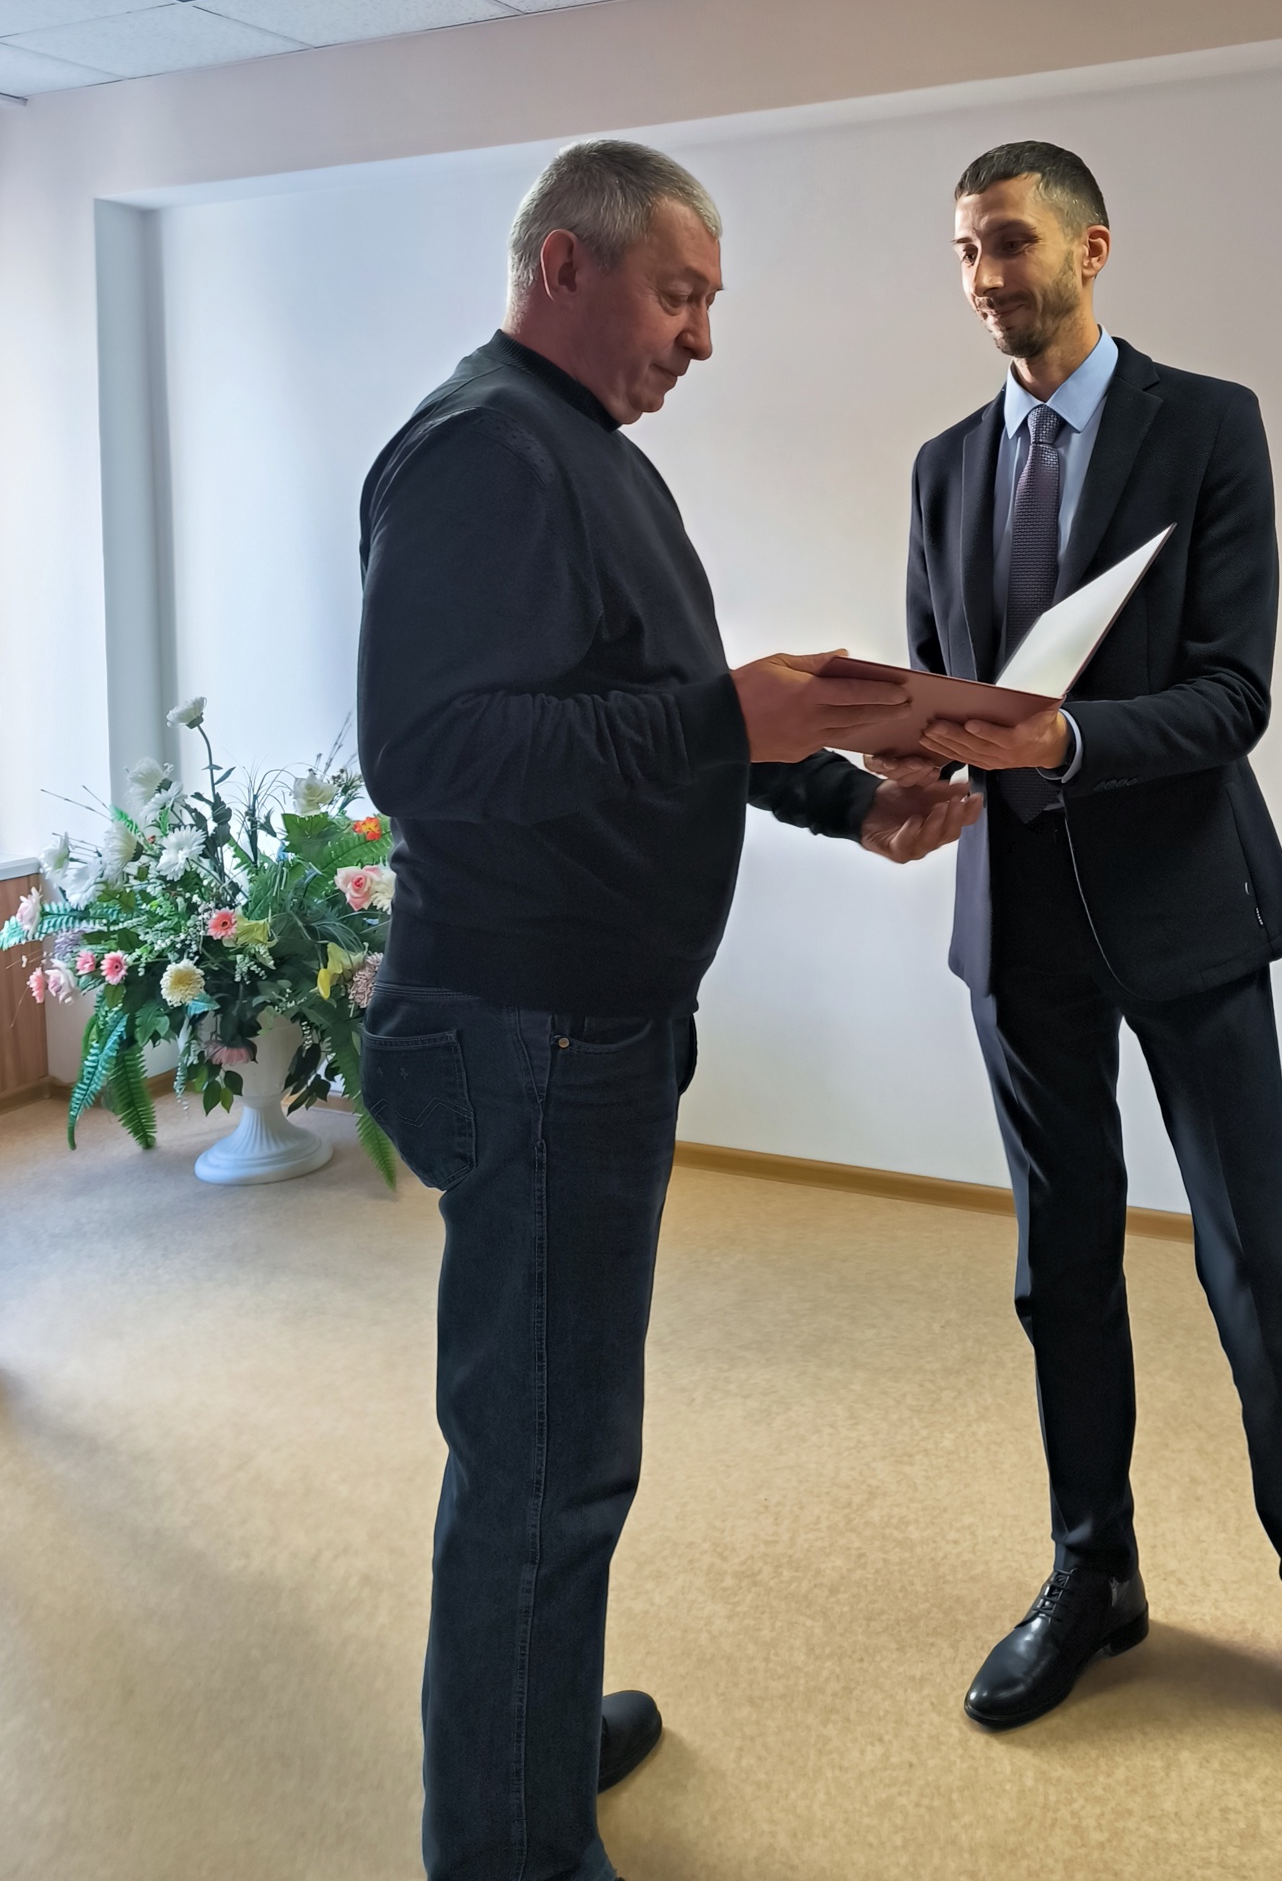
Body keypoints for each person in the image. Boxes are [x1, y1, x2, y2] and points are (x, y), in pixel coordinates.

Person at [356, 138, 977, 1881]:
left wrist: (846, 797)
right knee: (543, 1467)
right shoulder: (482, 450)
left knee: (566, 1448)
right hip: (526, 1029)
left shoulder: (588, 456)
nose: (703, 338)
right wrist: (731, 720)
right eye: (680, 295)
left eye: (710, 303)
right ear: (567, 266)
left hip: (591, 1027)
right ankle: (506, 1842)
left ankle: (533, 1735)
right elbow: (431, 755)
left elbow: (654, 713)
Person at [867, 141, 1282, 1823]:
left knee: (1255, 1270)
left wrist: (1068, 739)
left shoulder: (1210, 425)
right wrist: (914, 761)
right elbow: (937, 681)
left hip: (1187, 909)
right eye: (965, 252)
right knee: (1061, 1269)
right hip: (1015, 923)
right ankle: (1093, 1575)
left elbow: (1236, 693)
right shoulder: (944, 466)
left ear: (1092, 247)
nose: (986, 278)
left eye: (1010, 243)